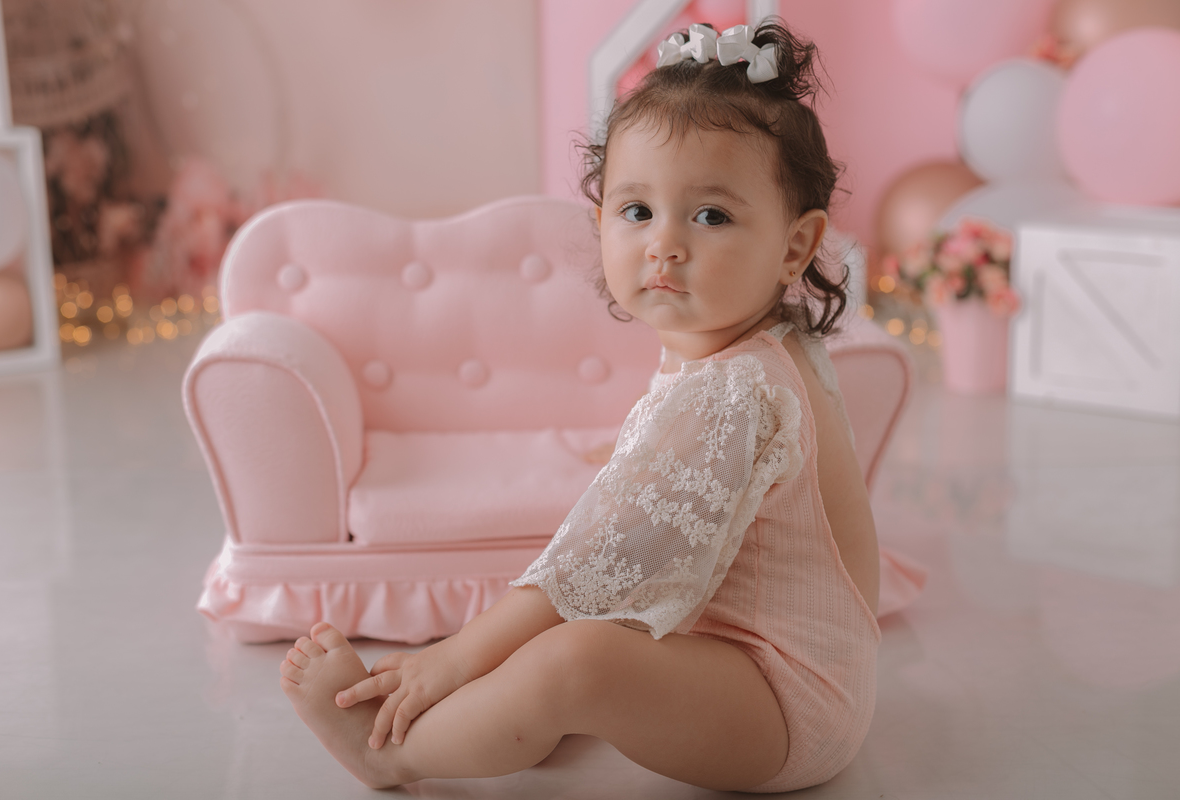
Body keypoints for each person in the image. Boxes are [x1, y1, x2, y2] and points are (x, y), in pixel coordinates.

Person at [279, 20, 882, 792]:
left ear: (795, 247)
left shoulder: (736, 389)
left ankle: (391, 754)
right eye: (637, 211)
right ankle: (505, 717)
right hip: (767, 673)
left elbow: (604, 556)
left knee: (578, 652)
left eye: (711, 216)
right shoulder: (753, 346)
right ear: (599, 220)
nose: (664, 244)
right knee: (569, 621)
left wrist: (453, 656)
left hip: (789, 705)